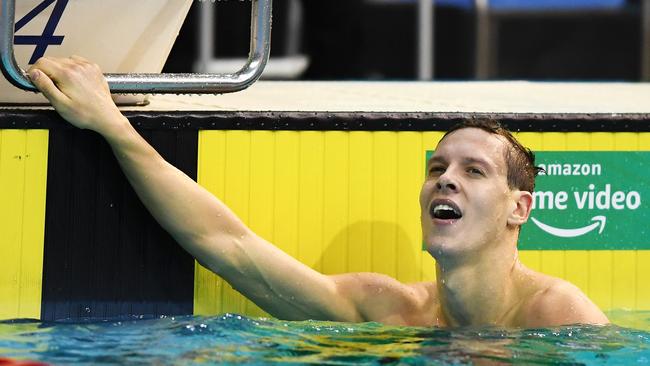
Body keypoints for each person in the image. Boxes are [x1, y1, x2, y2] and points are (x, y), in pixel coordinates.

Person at [27, 56, 609, 328]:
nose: (445, 178)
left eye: (474, 171)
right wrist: (111, 124)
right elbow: (227, 245)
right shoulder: (390, 311)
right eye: (436, 167)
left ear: (519, 209)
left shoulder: (557, 317)